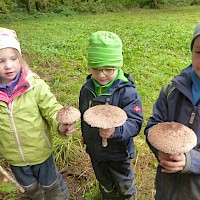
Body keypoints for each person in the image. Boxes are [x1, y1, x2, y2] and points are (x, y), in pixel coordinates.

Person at [0, 27, 75, 200]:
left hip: (40, 152)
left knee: (52, 185)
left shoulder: (35, 86)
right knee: (30, 187)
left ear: (20, 59)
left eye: (13, 58)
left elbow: (51, 108)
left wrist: (61, 124)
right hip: (14, 157)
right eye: (0, 61)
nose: (8, 65)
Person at [79, 31, 143, 200]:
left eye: (109, 69)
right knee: (104, 180)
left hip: (118, 153)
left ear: (118, 66)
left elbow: (135, 123)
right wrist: (85, 137)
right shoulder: (86, 89)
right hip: (95, 150)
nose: (101, 75)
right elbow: (84, 115)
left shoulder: (127, 92)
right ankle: (108, 194)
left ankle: (126, 196)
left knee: (123, 181)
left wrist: (116, 131)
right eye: (96, 69)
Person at [144, 21, 200, 200]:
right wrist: (159, 149)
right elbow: (153, 126)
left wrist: (191, 161)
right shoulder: (172, 91)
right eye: (199, 52)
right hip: (166, 186)